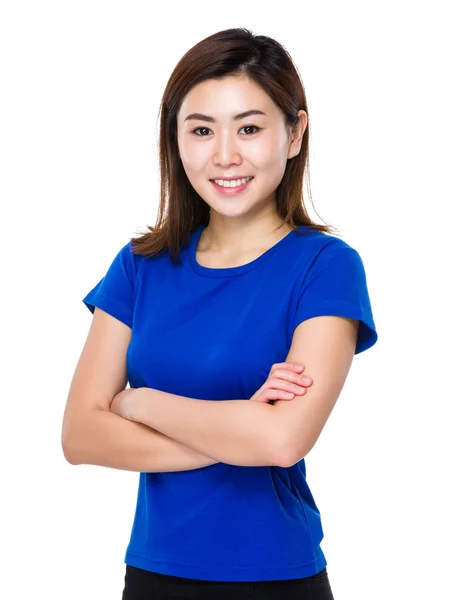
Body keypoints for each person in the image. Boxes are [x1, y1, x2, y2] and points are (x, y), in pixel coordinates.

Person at [62, 27, 378, 600]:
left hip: (277, 578)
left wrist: (140, 403)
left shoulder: (325, 267)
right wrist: (241, 430)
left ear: (294, 133)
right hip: (153, 576)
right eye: (202, 130)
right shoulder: (140, 266)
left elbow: (283, 442)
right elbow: (81, 436)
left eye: (250, 128)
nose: (225, 155)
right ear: (176, 140)